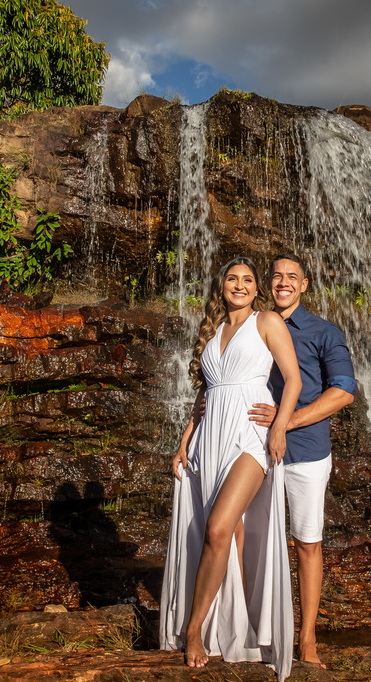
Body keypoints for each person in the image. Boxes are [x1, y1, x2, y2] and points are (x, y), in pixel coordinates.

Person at [159, 256, 303, 680]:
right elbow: (204, 394)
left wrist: (279, 428)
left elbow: (292, 380)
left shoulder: (268, 323)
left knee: (218, 528)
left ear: (257, 288)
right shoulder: (213, 332)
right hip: (210, 436)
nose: (239, 285)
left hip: (250, 437)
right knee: (229, 534)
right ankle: (235, 628)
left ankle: (194, 629)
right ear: (221, 286)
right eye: (231, 279)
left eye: (247, 280)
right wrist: (185, 439)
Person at [247, 253, 356, 668]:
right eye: (276, 276)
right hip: (254, 451)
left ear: (305, 284)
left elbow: (344, 390)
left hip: (306, 452)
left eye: (292, 276)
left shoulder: (323, 332)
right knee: (253, 542)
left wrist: (286, 421)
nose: (283, 282)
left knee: (307, 545)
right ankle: (256, 632)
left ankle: (307, 640)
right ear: (267, 284)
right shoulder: (254, 326)